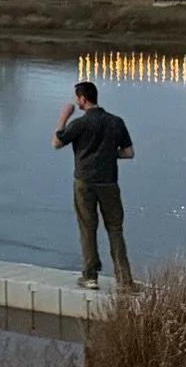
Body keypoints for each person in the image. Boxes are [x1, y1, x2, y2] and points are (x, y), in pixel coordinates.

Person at [54, 80, 137, 291]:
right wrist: (109, 155)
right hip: (109, 182)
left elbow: (56, 142)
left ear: (83, 99)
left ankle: (90, 276)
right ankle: (124, 280)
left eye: (77, 98)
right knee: (115, 229)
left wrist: (64, 116)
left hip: (84, 182)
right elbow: (129, 153)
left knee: (88, 228)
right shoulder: (116, 122)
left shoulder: (80, 123)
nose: (76, 101)